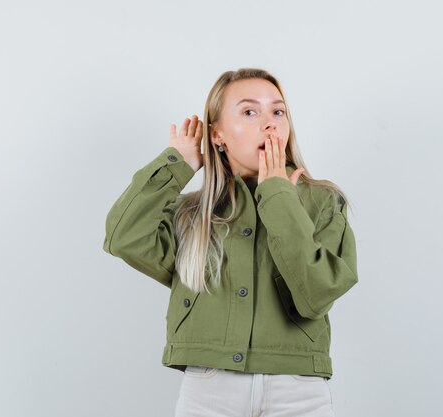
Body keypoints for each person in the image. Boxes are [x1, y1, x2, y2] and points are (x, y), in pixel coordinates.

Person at [102, 68, 358, 417]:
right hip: (209, 389)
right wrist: (179, 163)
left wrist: (278, 194)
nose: (270, 124)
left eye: (278, 111)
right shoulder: (192, 214)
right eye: (250, 111)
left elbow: (316, 294)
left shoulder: (323, 202)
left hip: (298, 391)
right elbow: (123, 237)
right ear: (217, 135)